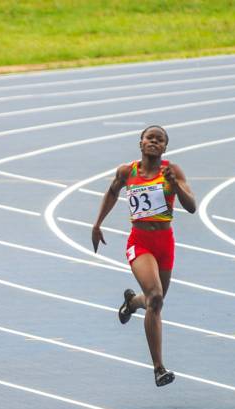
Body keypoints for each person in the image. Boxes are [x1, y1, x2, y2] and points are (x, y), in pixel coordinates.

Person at [91, 125, 196, 387]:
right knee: (157, 297)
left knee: (153, 302)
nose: (154, 142)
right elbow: (113, 192)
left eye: (159, 140)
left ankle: (131, 303)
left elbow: (192, 207)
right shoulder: (128, 171)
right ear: (140, 143)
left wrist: (175, 186)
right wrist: (97, 224)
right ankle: (159, 368)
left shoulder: (172, 171)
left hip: (165, 242)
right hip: (140, 242)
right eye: (150, 138)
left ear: (165, 147)